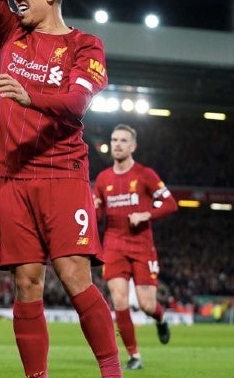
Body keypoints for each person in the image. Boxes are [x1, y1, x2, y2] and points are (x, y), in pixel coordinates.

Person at [0, 0, 122, 377]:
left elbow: (78, 102)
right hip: (13, 177)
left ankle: (112, 373)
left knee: (76, 275)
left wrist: (28, 95)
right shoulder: (11, 34)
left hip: (62, 174)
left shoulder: (85, 45)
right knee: (26, 282)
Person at [93, 124, 178, 370]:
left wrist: (145, 214)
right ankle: (134, 356)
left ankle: (160, 319)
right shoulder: (103, 178)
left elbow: (170, 203)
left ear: (133, 146)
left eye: (123, 140)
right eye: (114, 139)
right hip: (113, 244)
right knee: (119, 300)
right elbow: (97, 214)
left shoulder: (145, 174)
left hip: (142, 245)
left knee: (147, 305)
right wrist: (91, 208)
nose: (117, 144)